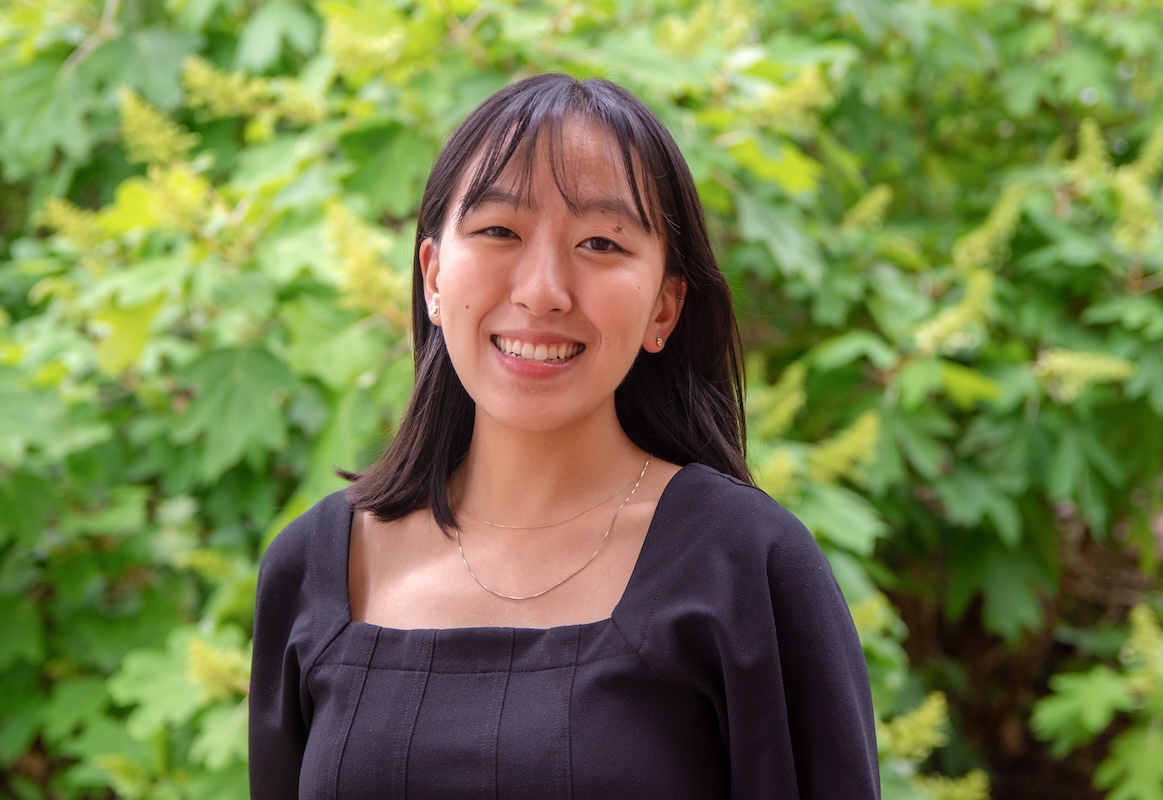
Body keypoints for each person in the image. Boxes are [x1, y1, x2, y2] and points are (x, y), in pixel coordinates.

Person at [249, 73, 880, 799]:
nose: (543, 289)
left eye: (602, 243)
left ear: (664, 310)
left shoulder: (747, 566)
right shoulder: (314, 569)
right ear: (431, 275)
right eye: (498, 232)